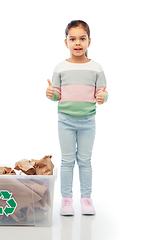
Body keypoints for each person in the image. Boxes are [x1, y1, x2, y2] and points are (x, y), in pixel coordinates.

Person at [46, 20, 108, 216]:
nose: (78, 43)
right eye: (72, 39)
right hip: (65, 121)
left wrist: (102, 97)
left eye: (82, 38)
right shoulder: (60, 68)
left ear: (89, 41)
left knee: (85, 161)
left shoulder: (96, 68)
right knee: (67, 160)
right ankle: (66, 201)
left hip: (88, 122)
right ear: (66, 43)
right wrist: (50, 93)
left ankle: (86, 199)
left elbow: (103, 94)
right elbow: (57, 95)